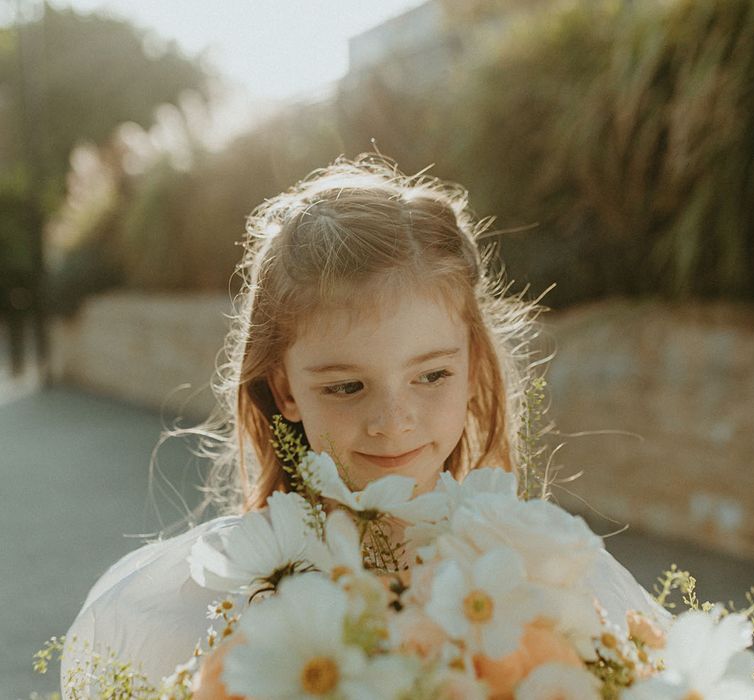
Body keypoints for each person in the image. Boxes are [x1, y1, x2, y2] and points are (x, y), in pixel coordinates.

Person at [61, 155, 663, 693]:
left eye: (431, 376)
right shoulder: (177, 614)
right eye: (347, 387)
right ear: (284, 390)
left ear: (472, 362)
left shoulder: (556, 582)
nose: (393, 424)